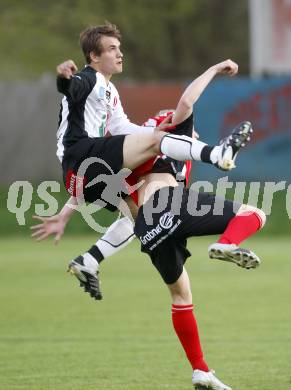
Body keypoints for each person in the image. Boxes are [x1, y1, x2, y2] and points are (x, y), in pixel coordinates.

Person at [33, 58, 265, 390]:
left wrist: (67, 212)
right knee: (254, 214)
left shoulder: (142, 152)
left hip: (149, 229)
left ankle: (201, 370)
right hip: (165, 206)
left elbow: (99, 177)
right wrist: (213, 70)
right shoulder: (167, 132)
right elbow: (186, 102)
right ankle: (228, 244)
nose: (192, 132)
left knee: (181, 295)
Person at [55, 22, 250, 215]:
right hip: (80, 157)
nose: (120, 54)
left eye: (119, 48)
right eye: (112, 49)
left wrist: (153, 132)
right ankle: (217, 154)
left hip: (80, 178)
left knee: (146, 223)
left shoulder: (109, 90)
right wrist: (64, 78)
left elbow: (120, 126)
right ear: (94, 56)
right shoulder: (89, 78)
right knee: (157, 143)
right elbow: (71, 87)